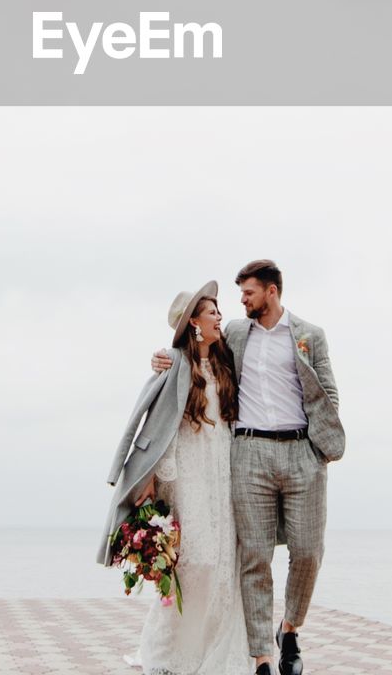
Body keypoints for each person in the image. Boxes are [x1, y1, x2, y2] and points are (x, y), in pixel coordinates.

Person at [152, 261, 345, 675]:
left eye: (248, 293)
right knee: (254, 557)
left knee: (309, 552)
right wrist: (161, 358)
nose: (240, 302)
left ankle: (289, 629)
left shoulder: (311, 335)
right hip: (250, 453)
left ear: (272, 292)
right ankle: (261, 655)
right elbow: (192, 350)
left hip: (301, 453)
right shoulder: (237, 334)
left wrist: (317, 450)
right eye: (239, 295)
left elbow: (329, 395)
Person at [98, 281, 251, 675]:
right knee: (193, 562)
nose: (220, 317)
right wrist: (155, 477)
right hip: (188, 476)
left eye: (219, 311)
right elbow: (158, 421)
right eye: (212, 311)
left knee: (221, 565)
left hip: (222, 475)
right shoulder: (175, 363)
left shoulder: (225, 361)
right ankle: (169, 652)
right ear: (194, 323)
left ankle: (210, 649)